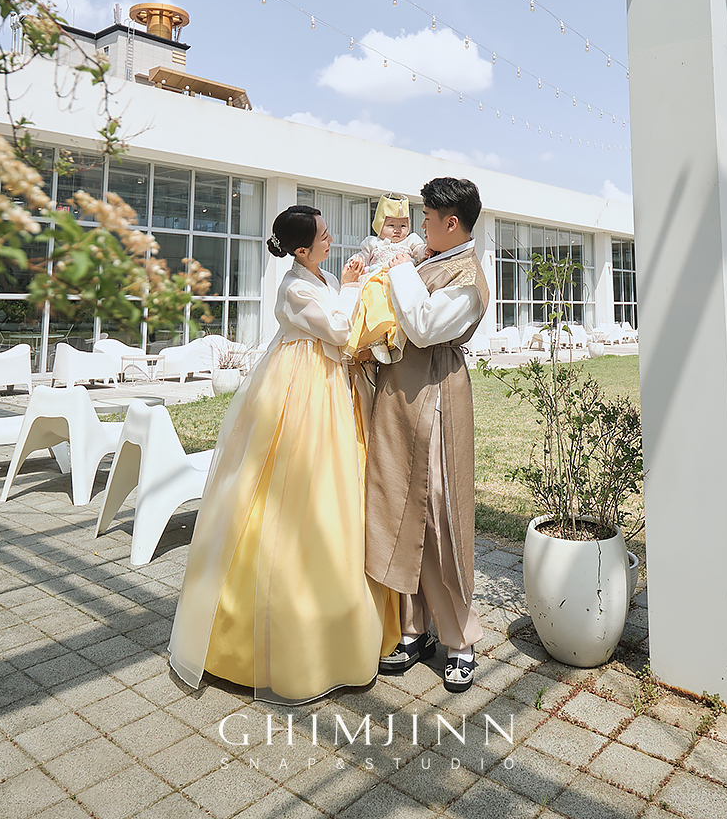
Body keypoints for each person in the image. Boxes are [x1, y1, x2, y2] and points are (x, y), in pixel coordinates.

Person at [169, 205, 399, 703]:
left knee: (334, 495)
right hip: (303, 393)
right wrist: (354, 288)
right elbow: (339, 330)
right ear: (300, 249)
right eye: (323, 235)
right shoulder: (293, 287)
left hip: (331, 385)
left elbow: (342, 319)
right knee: (294, 493)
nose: (331, 239)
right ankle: (277, 637)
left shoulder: (321, 277)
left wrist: (352, 283)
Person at [364, 177, 489, 693]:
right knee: (400, 506)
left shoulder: (467, 277)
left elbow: (423, 325)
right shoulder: (431, 260)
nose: (419, 226)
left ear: (451, 223)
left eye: (428, 218)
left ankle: (460, 640)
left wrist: (396, 267)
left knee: (439, 513)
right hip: (401, 396)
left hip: (435, 397)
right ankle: (414, 629)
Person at [342, 193, 428, 364]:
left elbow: (419, 250)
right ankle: (378, 340)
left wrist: (425, 251)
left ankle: (392, 339)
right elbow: (362, 256)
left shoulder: (411, 240)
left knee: (397, 312)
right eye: (391, 225)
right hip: (377, 281)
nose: (397, 230)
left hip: (400, 281)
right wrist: (355, 261)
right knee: (374, 302)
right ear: (379, 225)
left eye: (403, 225)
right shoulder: (372, 242)